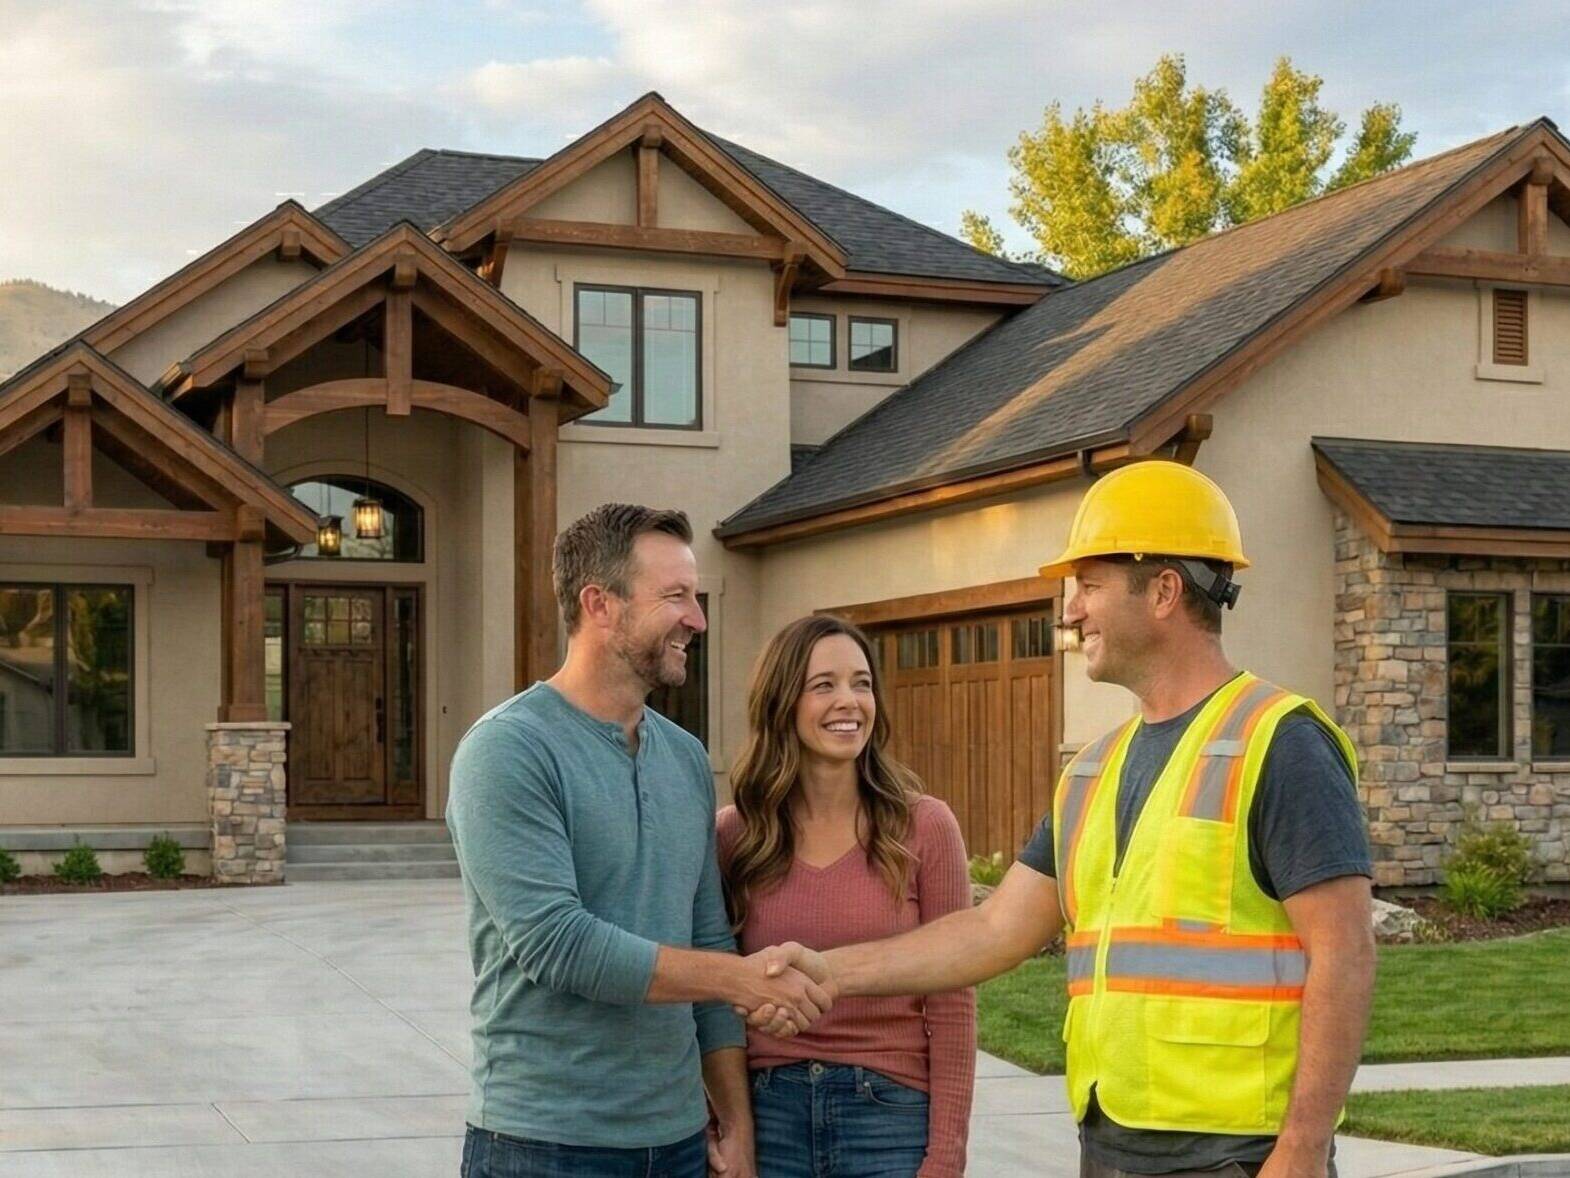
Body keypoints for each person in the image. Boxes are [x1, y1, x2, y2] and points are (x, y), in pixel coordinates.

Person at [758, 462, 1376, 1178]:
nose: (1072, 611)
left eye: (1089, 585)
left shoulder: (1281, 742)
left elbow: (1346, 954)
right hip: (1110, 1142)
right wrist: (824, 972)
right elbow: (992, 931)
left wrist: (1300, 1149)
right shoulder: (1093, 769)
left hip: (1240, 1152)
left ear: (1166, 591)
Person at [446, 503, 832, 1178]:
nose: (698, 618)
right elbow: (558, 945)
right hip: (543, 1146)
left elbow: (707, 934)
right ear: (601, 604)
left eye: (697, 596)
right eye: (676, 596)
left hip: (680, 1142)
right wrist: (743, 979)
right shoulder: (507, 751)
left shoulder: (683, 759)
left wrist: (735, 1123)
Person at [717, 615, 975, 1178]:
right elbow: (713, 998)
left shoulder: (924, 826)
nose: (850, 701)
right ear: (783, 702)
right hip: (770, 1116)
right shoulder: (734, 837)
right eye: (824, 685)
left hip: (889, 1116)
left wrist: (947, 1153)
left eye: (862, 683)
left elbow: (953, 997)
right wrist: (726, 1129)